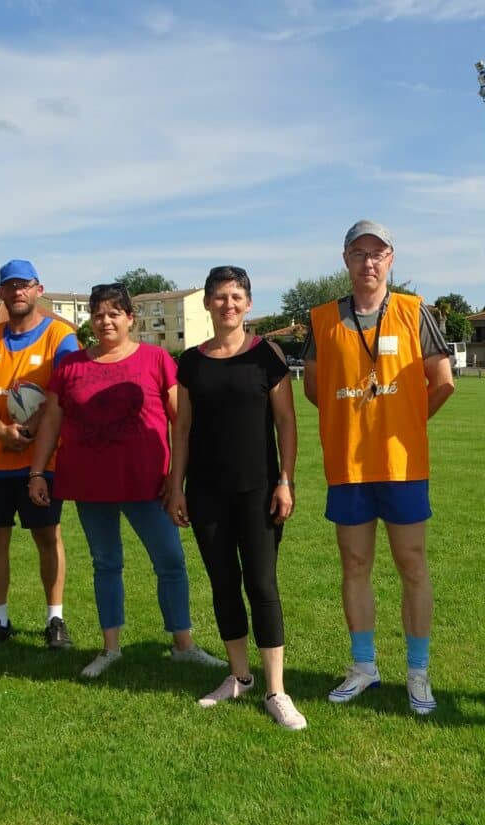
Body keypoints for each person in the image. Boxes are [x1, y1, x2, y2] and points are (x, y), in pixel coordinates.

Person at [28, 283, 223, 677]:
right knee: (106, 563)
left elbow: (180, 422)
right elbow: (51, 420)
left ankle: (183, 644)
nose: (106, 321)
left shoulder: (155, 360)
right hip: (89, 483)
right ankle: (110, 647)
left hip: (148, 483)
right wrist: (37, 471)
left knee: (170, 561)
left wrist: (178, 479)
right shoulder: (70, 367)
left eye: (114, 313)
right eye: (98, 314)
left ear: (130, 318)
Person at [304, 220, 455, 714]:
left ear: (392, 259)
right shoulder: (322, 318)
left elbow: (443, 380)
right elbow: (313, 386)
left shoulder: (414, 312)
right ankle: (364, 666)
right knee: (355, 566)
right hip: (348, 466)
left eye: (378, 253)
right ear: (345, 259)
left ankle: (418, 673)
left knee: (412, 565)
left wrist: (406, 420)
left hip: (402, 464)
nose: (368, 262)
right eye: (358, 253)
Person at [166, 266, 306, 730]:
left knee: (262, 586)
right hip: (206, 492)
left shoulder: (267, 356)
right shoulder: (191, 362)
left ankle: (276, 690)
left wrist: (285, 480)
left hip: (259, 490)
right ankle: (239, 676)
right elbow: (181, 428)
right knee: (223, 583)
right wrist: (176, 486)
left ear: (248, 303)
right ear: (207, 304)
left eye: (236, 296)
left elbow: (286, 423)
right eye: (219, 296)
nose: (228, 304)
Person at [0, 259, 79, 651]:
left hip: (41, 460)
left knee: (47, 537)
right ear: (0, 293)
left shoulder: (61, 336)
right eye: (9, 286)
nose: (17, 292)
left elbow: (60, 393)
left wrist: (30, 429)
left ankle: (55, 618)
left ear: (38, 289)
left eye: (24, 285)